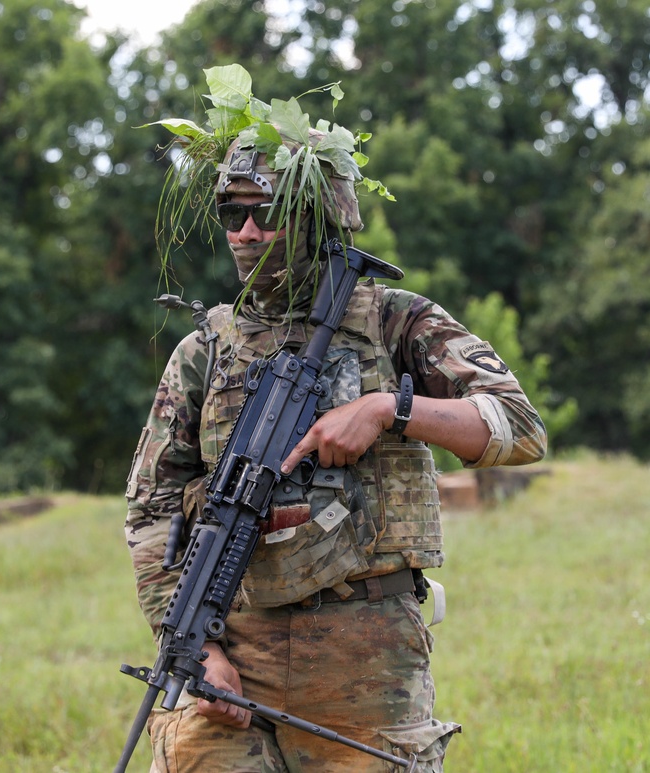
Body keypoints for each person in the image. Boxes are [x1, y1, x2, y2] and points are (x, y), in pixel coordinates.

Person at [124, 71, 547, 771]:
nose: (248, 233)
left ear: (318, 215)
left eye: (266, 212)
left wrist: (390, 408)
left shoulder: (395, 320)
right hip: (232, 649)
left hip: (366, 653)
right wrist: (202, 652)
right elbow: (151, 511)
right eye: (233, 215)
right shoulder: (203, 350)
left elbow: (518, 426)